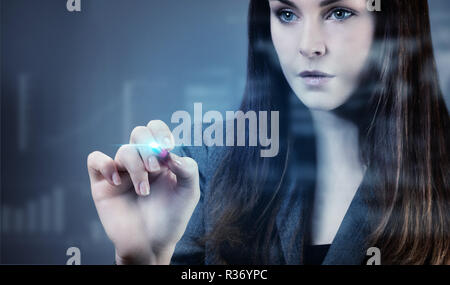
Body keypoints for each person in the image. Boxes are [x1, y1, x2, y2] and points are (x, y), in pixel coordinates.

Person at [87, 0, 450, 265]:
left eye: (339, 12)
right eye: (287, 14)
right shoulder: (199, 169)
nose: (309, 45)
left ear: (394, 20)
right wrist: (146, 259)